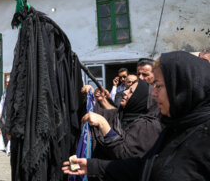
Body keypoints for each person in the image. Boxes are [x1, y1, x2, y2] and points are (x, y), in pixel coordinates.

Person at [63, 51, 210, 180]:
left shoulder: (203, 139)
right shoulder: (174, 128)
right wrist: (92, 166)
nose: (153, 93)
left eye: (158, 86)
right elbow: (144, 166)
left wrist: (103, 125)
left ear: (180, 88)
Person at [82, 79, 161, 161]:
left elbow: (125, 156)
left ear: (139, 99)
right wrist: (89, 96)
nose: (125, 92)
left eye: (131, 92)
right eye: (128, 89)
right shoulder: (123, 114)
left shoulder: (149, 127)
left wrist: (103, 124)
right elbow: (103, 113)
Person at [0, 81, 10, 155]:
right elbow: (2, 102)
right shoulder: (5, 91)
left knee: (8, 131)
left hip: (10, 114)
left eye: (8, 83)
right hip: (4, 113)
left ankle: (8, 149)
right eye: (6, 82)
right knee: (1, 128)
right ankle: (1, 147)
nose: (7, 84)